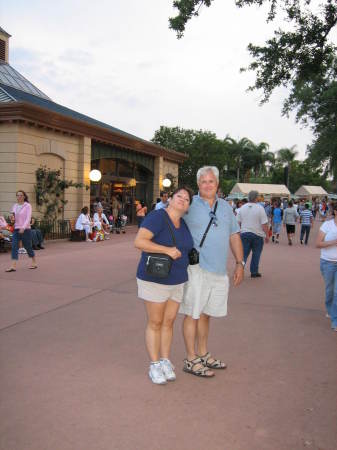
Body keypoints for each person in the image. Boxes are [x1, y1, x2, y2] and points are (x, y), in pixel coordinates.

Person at [179, 166, 244, 378]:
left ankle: (203, 353)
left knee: (206, 315)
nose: (208, 185)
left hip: (218, 271)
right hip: (196, 269)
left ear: (217, 184)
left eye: (212, 181)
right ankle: (190, 358)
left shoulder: (226, 207)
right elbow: (170, 219)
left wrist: (240, 263)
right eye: (204, 181)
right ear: (198, 184)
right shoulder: (189, 205)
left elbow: (234, 235)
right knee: (192, 313)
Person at [134, 187, 194, 385]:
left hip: (177, 280)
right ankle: (154, 364)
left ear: (188, 206)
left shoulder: (183, 223)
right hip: (155, 279)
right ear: (170, 199)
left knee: (169, 322)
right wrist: (167, 250)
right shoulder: (157, 217)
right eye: (179, 196)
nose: (182, 200)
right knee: (155, 322)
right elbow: (139, 241)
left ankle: (166, 361)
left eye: (186, 199)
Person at [237, 190, 269, 278]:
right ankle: (254, 272)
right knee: (256, 254)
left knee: (243, 254)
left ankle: (239, 270)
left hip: (244, 234)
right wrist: (267, 235)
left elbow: (238, 222)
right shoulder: (260, 208)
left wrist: (238, 233)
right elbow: (264, 224)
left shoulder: (242, 208)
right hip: (257, 235)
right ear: (256, 198)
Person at [316, 202, 337, 331]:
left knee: (336, 292)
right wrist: (334, 242)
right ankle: (330, 308)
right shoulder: (327, 225)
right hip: (328, 262)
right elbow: (318, 244)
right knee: (330, 291)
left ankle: (335, 320)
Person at [5, 190, 37, 272]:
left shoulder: (28, 206)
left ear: (24, 196)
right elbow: (13, 217)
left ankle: (34, 261)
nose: (19, 197)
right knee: (14, 246)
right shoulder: (15, 206)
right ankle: (13, 266)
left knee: (28, 247)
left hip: (26, 229)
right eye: (17, 195)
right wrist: (12, 219)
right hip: (16, 229)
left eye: (21, 195)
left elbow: (28, 218)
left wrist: (23, 227)